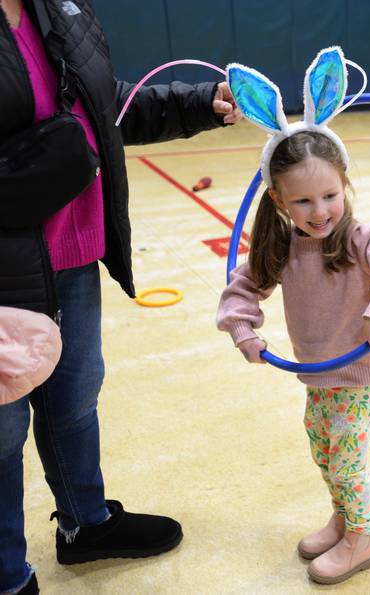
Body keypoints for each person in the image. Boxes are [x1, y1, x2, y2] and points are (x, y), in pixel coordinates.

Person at [0, 0, 242, 592]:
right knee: (1, 435)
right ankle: (6, 574)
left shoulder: (61, 9)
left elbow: (103, 105)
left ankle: (86, 526)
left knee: (75, 401)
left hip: (73, 253)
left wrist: (194, 102)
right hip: (4, 275)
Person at [217, 76, 370, 583]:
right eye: (303, 201)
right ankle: (343, 518)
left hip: (358, 373)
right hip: (317, 375)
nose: (320, 211)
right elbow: (240, 291)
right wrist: (245, 332)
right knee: (323, 451)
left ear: (345, 185)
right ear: (280, 200)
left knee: (347, 461)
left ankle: (362, 537)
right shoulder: (282, 248)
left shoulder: (361, 238)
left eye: (329, 195)